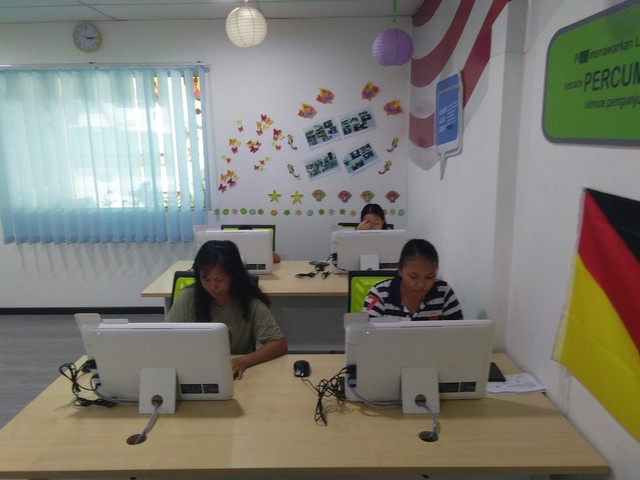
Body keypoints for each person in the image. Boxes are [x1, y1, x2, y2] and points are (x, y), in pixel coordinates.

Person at [166, 240, 287, 379]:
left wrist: (245, 361)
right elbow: (166, 339)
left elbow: (279, 344)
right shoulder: (188, 298)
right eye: (205, 279)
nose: (212, 286)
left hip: (234, 373)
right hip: (193, 369)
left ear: (234, 276)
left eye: (219, 280)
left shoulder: (249, 302)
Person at [363, 239, 463, 320]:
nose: (421, 284)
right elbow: (365, 334)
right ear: (400, 270)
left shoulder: (444, 293)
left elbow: (458, 333)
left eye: (429, 277)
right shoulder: (379, 294)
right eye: (413, 277)